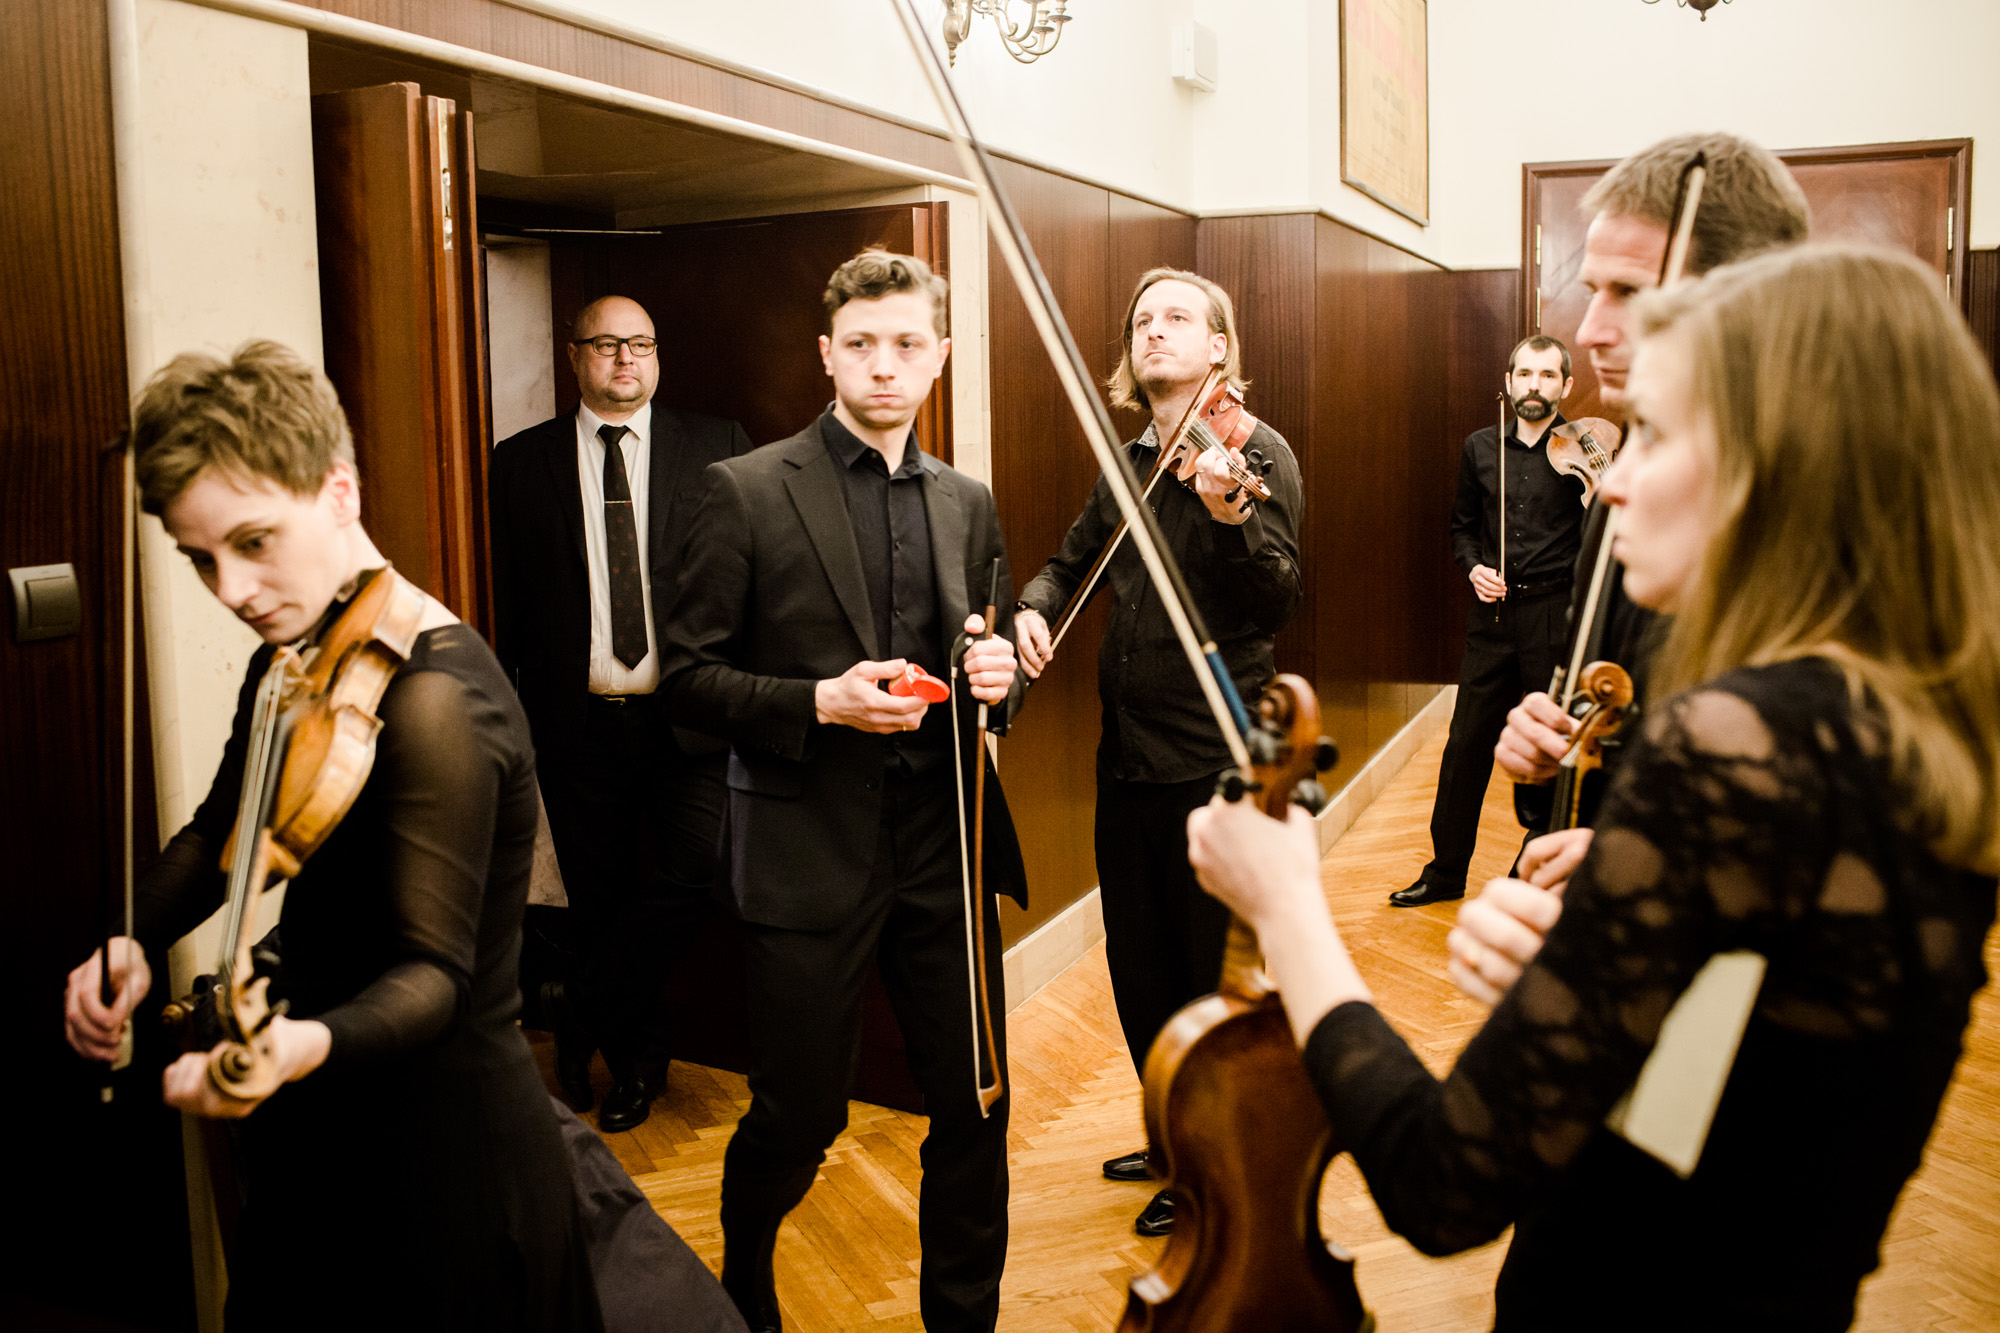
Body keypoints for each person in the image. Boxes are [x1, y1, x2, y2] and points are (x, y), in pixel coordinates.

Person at [1188, 246, 2000, 1329]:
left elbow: (1445, 1181)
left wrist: (1286, 901)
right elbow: (1774, 1090)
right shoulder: (1906, 726)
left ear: (1780, 462)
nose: (1609, 484)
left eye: (1654, 435)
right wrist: (1624, 927)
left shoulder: (1736, 740)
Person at [63, 343, 602, 1330]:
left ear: (340, 491)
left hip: (441, 1152)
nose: (232, 587)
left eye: (253, 541)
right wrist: (130, 938)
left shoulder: (438, 700)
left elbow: (434, 978)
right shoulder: (299, 653)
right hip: (326, 1110)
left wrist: (299, 1044)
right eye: (200, 558)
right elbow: (222, 832)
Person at [660, 249, 1025, 1333]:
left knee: (975, 1104)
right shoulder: (744, 490)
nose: (883, 365)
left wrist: (997, 681)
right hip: (806, 849)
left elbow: (988, 662)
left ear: (939, 356)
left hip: (946, 845)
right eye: (861, 345)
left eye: (906, 344)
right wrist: (820, 701)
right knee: (801, 1114)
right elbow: (685, 683)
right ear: (827, 354)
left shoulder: (968, 502)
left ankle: (962, 1319)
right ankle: (745, 1274)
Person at [1468, 131, 1811, 992]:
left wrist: (1654, 864)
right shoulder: (1621, 479)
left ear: (1747, 299)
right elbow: (1597, 698)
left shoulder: (1813, 510)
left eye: (1632, 293)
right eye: (1593, 291)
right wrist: (1548, 746)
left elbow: (1838, 810)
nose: (1591, 330)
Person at [1013, 267, 1303, 1235]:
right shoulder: (1129, 460)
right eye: (1142, 319)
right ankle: (1173, 1131)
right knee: (1139, 971)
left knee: (1202, 973)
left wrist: (1231, 519)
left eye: (1178, 317)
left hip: (1211, 761)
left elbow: (1277, 598)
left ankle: (1213, 1166)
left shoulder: (1255, 452)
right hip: (1126, 758)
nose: (1154, 330)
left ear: (1219, 346)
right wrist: (1035, 609)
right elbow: (1069, 562)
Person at [489, 295, 755, 1133]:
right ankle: (635, 1066)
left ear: (657, 354)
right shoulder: (518, 464)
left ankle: (577, 1000)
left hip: (687, 718)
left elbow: (752, 578)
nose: (625, 359)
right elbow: (504, 606)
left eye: (640, 343)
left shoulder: (718, 446)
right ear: (574, 356)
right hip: (575, 726)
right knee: (598, 897)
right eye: (606, 344)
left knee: (699, 870)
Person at [1390, 336, 1581, 908]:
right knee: (1464, 746)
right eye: (1525, 374)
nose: (1534, 385)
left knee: (1548, 749)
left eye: (1548, 375)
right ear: (1508, 381)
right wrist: (1473, 567)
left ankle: (1534, 868)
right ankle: (1445, 872)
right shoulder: (1479, 447)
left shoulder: (1584, 450)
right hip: (1492, 618)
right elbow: (1461, 529)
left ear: (1566, 385)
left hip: (1553, 616)